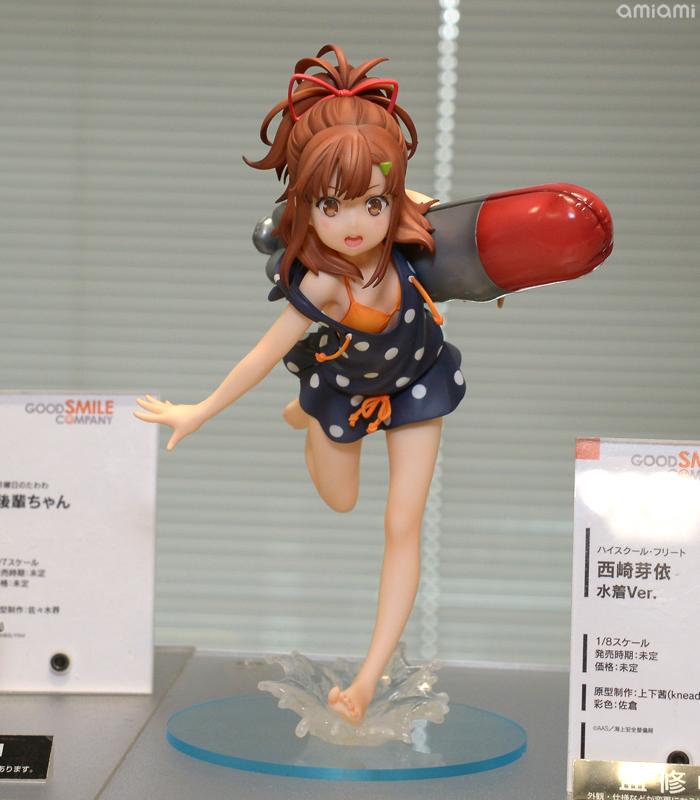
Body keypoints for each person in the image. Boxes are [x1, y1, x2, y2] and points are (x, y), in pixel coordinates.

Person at [135, 45, 465, 724]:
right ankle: (309, 412)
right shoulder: (323, 283)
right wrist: (199, 410)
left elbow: (485, 244)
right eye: (331, 205)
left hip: (419, 382)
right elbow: (262, 353)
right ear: (305, 206)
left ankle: (367, 680)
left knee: (402, 524)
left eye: (373, 203)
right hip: (345, 389)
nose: (355, 224)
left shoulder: (411, 220)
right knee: (342, 501)